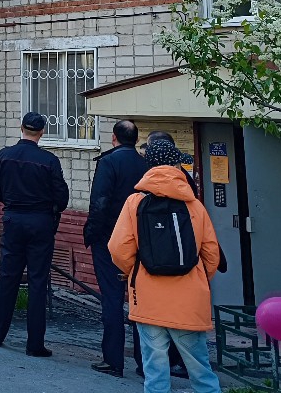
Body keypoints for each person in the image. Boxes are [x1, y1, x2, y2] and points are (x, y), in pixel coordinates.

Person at [109, 136, 223, 393]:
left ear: (148, 165)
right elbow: (211, 253)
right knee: (201, 373)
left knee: (155, 373)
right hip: (189, 301)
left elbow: (118, 248)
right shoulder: (194, 205)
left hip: (149, 298)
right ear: (178, 166)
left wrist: (134, 273)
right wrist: (198, 279)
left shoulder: (134, 202)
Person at [0, 111, 69, 356]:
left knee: (7, 278)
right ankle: (34, 345)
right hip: (41, 223)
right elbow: (61, 198)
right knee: (37, 281)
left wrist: (13, 201)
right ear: (42, 131)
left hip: (13, 219)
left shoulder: (4, 155)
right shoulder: (49, 161)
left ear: (20, 127)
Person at [85, 119, 148, 378]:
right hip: (141, 242)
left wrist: (91, 232)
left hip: (110, 240)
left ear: (114, 138)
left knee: (112, 298)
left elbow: (99, 201)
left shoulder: (108, 162)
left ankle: (113, 360)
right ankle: (145, 362)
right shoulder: (146, 163)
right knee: (140, 301)